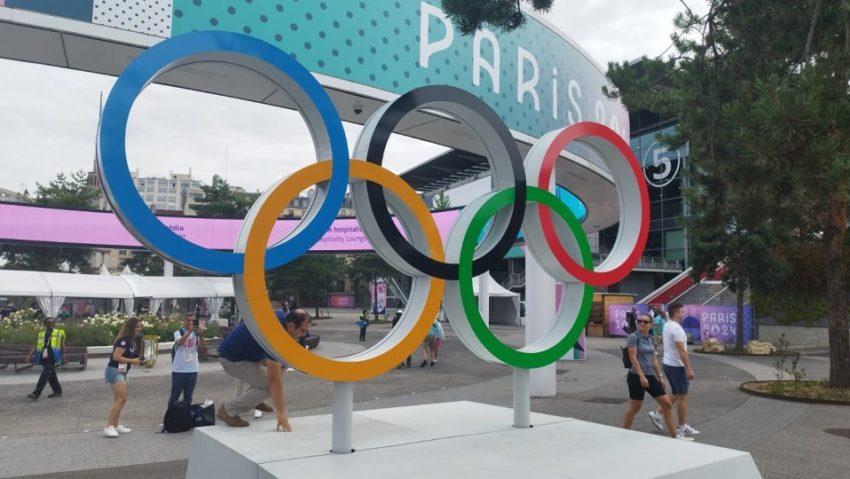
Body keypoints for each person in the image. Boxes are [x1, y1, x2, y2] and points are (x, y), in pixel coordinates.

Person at [216, 309, 311, 431]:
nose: (304, 335)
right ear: (291, 325)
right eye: (303, 331)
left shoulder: (285, 319)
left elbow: (299, 351)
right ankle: (228, 411)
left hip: (248, 353)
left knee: (287, 360)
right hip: (231, 360)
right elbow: (274, 380)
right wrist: (281, 412)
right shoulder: (274, 335)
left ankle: (252, 399)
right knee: (269, 387)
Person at [621, 314, 691, 441]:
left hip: (650, 376)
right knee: (635, 407)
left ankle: (675, 436)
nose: (641, 323)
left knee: (667, 405)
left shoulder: (651, 338)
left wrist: (660, 376)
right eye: (639, 321)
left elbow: (653, 359)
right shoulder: (633, 337)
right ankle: (624, 432)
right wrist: (642, 377)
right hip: (636, 377)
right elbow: (633, 358)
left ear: (650, 324)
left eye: (645, 322)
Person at [650, 302, 699, 437]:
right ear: (676, 313)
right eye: (682, 312)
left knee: (677, 393)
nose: (684, 314)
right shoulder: (677, 329)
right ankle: (681, 426)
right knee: (683, 396)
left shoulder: (668, 325)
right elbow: (682, 351)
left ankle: (658, 413)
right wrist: (689, 369)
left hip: (668, 363)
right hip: (676, 366)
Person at [104, 317, 145, 438]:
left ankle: (116, 425)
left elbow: (133, 356)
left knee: (120, 399)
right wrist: (132, 361)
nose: (139, 329)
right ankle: (108, 426)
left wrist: (140, 359)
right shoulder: (124, 340)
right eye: (137, 327)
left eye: (140, 326)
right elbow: (116, 357)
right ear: (131, 327)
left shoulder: (132, 341)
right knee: (121, 399)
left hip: (123, 372)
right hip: (115, 371)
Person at [169, 313, 205, 406]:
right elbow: (179, 343)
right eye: (188, 320)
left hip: (192, 369)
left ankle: (185, 416)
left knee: (188, 396)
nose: (190, 322)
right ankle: (170, 417)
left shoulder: (196, 334)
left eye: (192, 320)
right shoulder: (179, 332)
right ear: (184, 321)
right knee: (175, 395)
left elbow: (202, 347)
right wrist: (189, 332)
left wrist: (201, 334)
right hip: (179, 370)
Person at [27, 317, 64, 400]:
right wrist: (29, 355)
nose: (51, 324)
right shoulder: (41, 334)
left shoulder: (59, 333)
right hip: (44, 357)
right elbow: (36, 345)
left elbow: (63, 345)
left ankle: (36, 393)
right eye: (49, 322)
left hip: (53, 357)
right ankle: (57, 390)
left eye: (52, 322)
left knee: (45, 373)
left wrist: (64, 357)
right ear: (45, 324)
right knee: (51, 374)